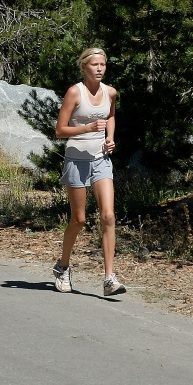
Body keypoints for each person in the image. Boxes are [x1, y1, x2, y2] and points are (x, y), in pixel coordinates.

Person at [52, 47, 127, 297]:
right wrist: (88, 128)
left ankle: (109, 278)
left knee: (108, 216)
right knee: (79, 219)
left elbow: (111, 115)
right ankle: (63, 267)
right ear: (84, 66)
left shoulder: (111, 92)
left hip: (101, 159)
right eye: (94, 64)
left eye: (103, 65)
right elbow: (60, 131)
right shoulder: (75, 92)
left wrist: (110, 137)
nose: (99, 69)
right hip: (76, 159)